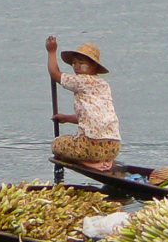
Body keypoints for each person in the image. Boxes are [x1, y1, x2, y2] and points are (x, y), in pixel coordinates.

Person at [46, 36, 120, 171]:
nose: (77, 67)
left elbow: (55, 74)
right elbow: (93, 116)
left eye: (81, 63)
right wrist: (67, 118)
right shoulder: (104, 85)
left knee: (56, 145)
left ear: (94, 66)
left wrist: (51, 51)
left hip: (91, 146)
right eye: (74, 63)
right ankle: (105, 161)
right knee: (76, 143)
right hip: (113, 147)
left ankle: (90, 163)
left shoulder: (82, 80)